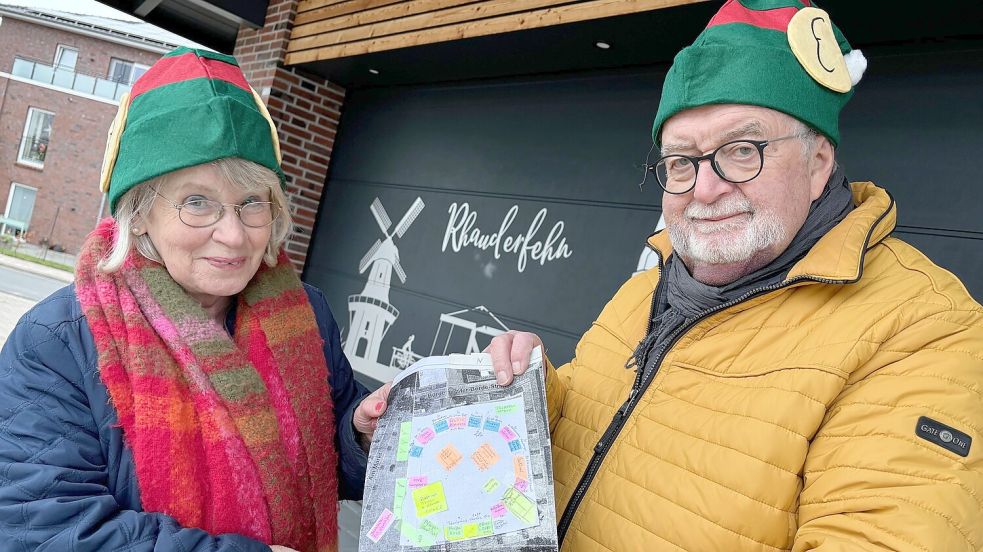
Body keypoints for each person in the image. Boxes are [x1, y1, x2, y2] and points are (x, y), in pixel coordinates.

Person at [358, 1, 983, 549]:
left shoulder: (924, 330)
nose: (704, 188)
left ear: (819, 164)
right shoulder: (652, 284)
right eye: (681, 160)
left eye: (742, 150)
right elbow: (606, 426)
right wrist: (514, 395)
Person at [0, 47, 379, 552]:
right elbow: (41, 527)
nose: (234, 235)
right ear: (139, 215)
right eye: (197, 202)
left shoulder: (306, 314)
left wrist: (360, 433)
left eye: (251, 203)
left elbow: (321, 466)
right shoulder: (60, 341)